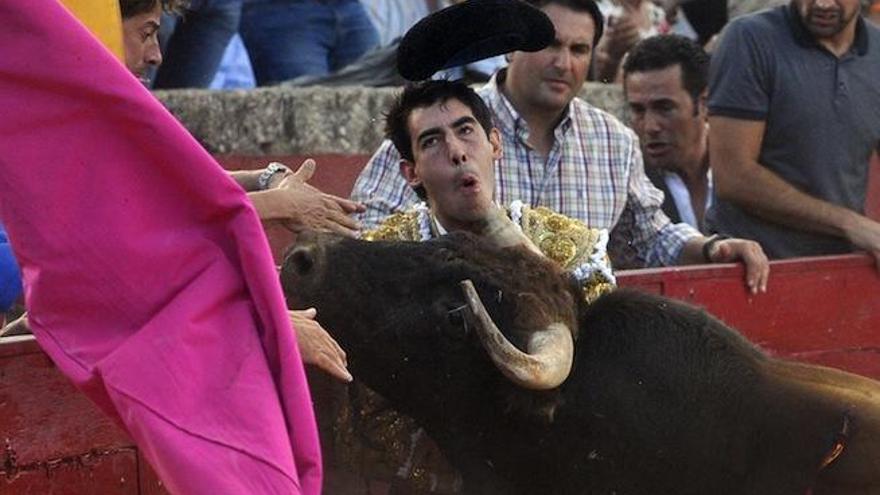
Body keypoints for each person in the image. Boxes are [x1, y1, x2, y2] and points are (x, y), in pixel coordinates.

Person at [352, 0, 769, 293]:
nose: (563, 62)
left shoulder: (613, 142)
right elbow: (367, 240)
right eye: (549, 45)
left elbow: (648, 238)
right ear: (513, 47)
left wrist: (711, 246)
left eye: (579, 49)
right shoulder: (447, 127)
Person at [707, 0, 880, 267]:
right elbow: (733, 176)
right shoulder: (749, 39)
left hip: (843, 271)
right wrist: (850, 223)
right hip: (751, 270)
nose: (821, 4)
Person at [623, 34, 712, 233]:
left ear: (704, 104)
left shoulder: (743, 168)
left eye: (664, 108)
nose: (650, 127)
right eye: (638, 110)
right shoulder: (624, 185)